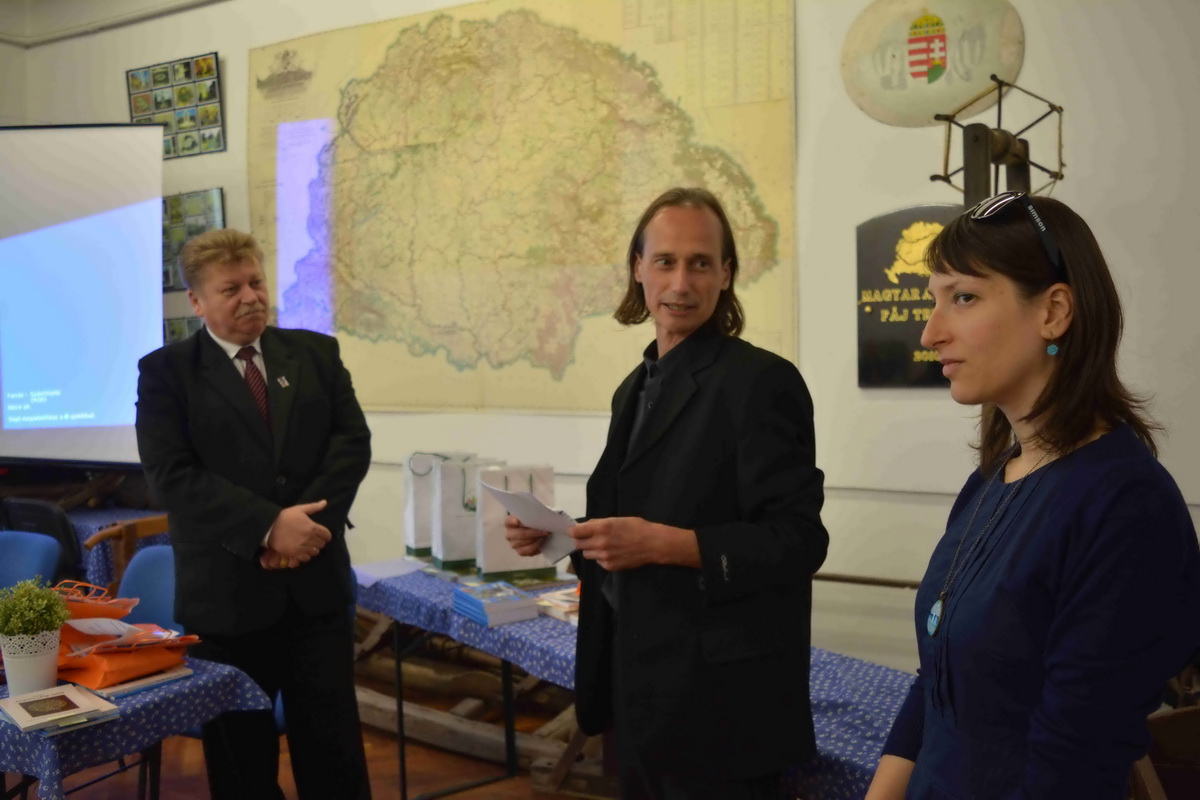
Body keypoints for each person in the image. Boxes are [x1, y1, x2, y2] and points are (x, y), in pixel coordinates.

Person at [866, 192, 1200, 799]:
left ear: (1053, 311)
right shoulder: (992, 480)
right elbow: (936, 679)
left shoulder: (1125, 508)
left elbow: (1071, 764)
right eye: (934, 300)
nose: (931, 332)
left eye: (963, 298)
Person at [506, 188, 828, 799]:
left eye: (700, 263)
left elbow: (798, 542)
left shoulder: (762, 382)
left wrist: (666, 545)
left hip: (721, 713)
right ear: (638, 268)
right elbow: (629, 531)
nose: (681, 282)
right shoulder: (634, 387)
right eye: (665, 261)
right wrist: (559, 536)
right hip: (637, 691)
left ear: (726, 273)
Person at [135, 229, 372, 800]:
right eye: (231, 289)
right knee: (241, 764)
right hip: (227, 597)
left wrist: (306, 533)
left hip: (315, 591)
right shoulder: (166, 372)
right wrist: (268, 528)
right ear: (197, 302)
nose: (251, 298)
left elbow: (351, 445)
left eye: (256, 282)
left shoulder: (315, 354)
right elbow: (172, 476)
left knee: (334, 754)